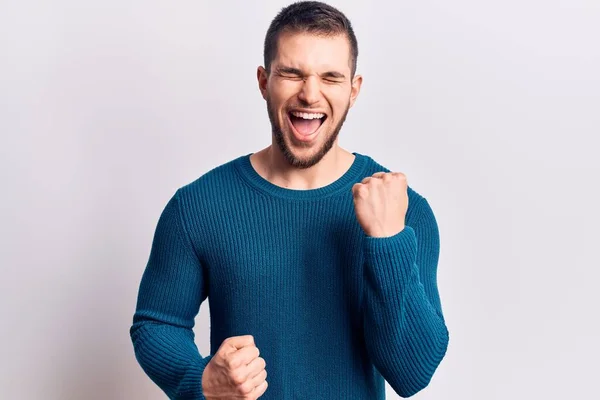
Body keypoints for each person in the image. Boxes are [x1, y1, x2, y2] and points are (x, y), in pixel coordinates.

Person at [129, 1, 449, 399]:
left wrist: (387, 240)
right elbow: (157, 324)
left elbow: (412, 373)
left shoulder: (403, 211)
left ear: (354, 89)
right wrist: (200, 380)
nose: (309, 94)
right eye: (291, 73)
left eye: (330, 77)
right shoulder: (198, 206)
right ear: (264, 81)